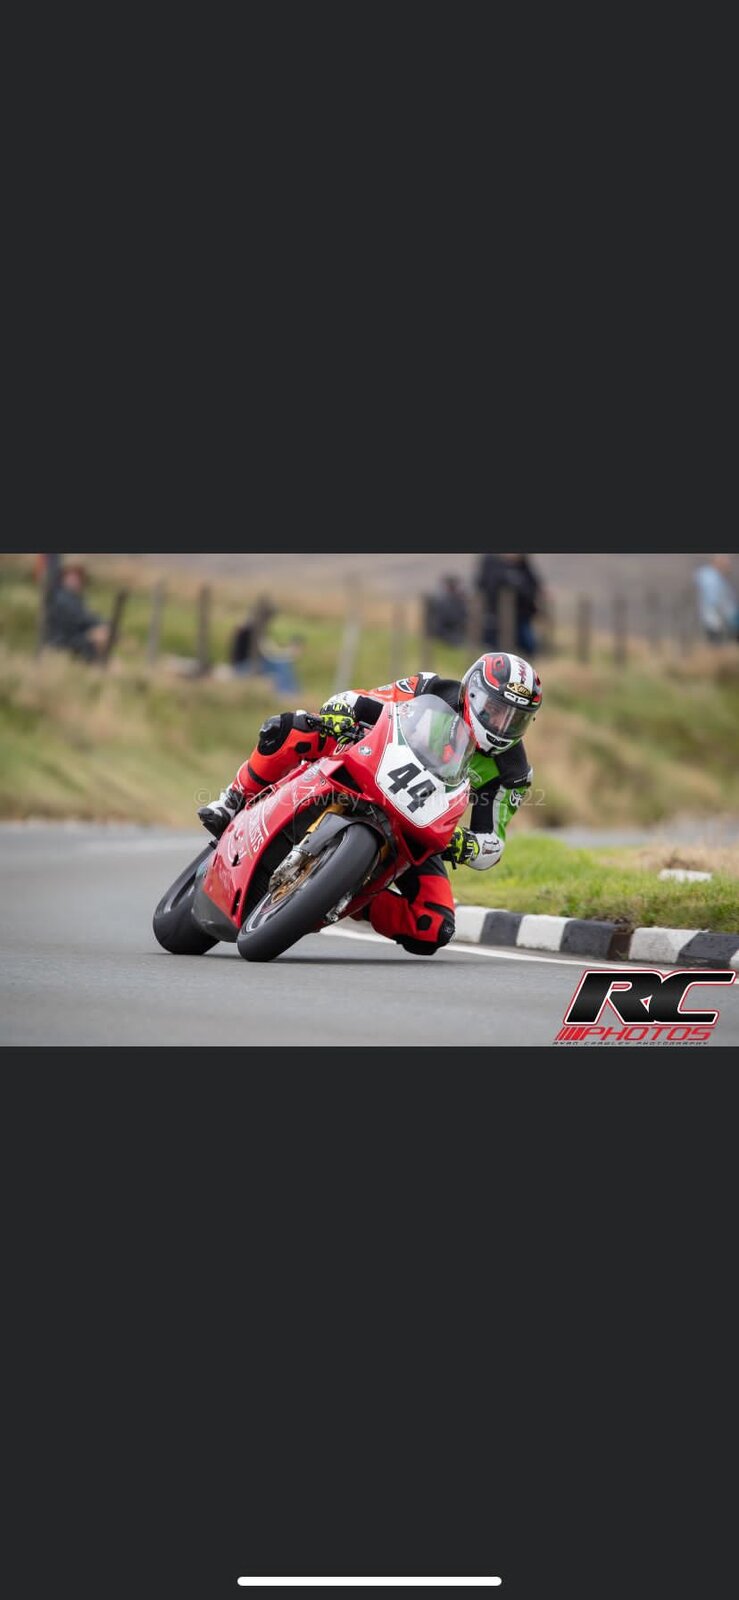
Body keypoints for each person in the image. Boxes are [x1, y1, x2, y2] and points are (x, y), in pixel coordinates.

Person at [197, 654, 542, 957]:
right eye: (496, 709)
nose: (502, 724)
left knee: (433, 925)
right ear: (474, 693)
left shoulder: (513, 773)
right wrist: (340, 714)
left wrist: (468, 845)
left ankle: (340, 894)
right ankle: (233, 798)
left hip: (417, 821)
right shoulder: (432, 689)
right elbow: (361, 700)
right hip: (367, 762)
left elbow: (492, 842)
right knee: (292, 727)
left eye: (516, 718)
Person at [230, 596, 301, 695]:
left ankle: (290, 693)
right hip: (243, 666)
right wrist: (288, 653)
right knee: (281, 665)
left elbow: (268, 649)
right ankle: (288, 694)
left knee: (281, 664)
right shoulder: (252, 629)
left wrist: (286, 652)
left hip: (248, 663)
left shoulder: (252, 626)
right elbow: (268, 652)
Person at [44, 564, 110, 662]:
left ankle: (99, 661)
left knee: (102, 634)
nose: (76, 582)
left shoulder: (73, 598)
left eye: (78, 579)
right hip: (62, 641)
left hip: (70, 637)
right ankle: (97, 662)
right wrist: (102, 623)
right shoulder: (62, 598)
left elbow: (85, 617)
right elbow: (80, 618)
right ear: (64, 579)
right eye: (72, 578)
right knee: (101, 635)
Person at [694, 555, 738, 644]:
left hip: (722, 616)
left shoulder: (717, 577)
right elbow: (714, 600)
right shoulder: (710, 578)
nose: (728, 568)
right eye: (726, 564)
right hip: (716, 617)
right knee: (717, 641)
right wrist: (725, 614)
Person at [427, 575, 469, 645]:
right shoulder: (441, 602)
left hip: (455, 633)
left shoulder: (459, 601)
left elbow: (463, 618)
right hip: (444, 633)